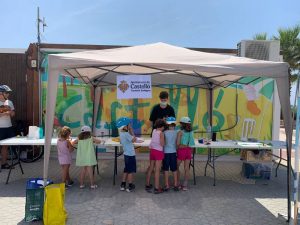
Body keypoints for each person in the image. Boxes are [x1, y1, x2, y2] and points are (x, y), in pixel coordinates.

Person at [117, 117, 137, 193]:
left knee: (126, 169)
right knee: (130, 171)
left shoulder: (122, 133)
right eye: (129, 125)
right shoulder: (126, 134)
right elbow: (134, 139)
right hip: (130, 154)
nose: (130, 126)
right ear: (125, 126)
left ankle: (122, 184)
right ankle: (130, 185)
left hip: (126, 154)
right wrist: (132, 131)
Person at [145, 119, 166, 194]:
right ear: (162, 126)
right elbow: (162, 144)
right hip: (158, 152)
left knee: (151, 167)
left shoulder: (154, 130)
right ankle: (157, 188)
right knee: (157, 170)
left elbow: (153, 141)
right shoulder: (161, 133)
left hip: (152, 151)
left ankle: (147, 184)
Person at [176, 117, 195, 191]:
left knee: (176, 166)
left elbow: (178, 144)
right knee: (187, 168)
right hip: (188, 151)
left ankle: (177, 182)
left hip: (181, 151)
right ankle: (185, 185)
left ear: (182, 124)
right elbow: (192, 143)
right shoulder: (191, 132)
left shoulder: (180, 132)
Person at [0, 85, 15, 169]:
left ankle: (4, 164)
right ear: (1, 93)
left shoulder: (9, 102)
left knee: (5, 146)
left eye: (8, 93)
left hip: (8, 127)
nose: (8, 94)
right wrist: (4, 113)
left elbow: (13, 114)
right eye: (6, 92)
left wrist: (10, 113)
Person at [163, 117, 179, 191]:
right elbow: (177, 143)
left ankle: (167, 185)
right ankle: (176, 184)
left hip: (166, 152)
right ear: (174, 124)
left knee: (166, 169)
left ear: (167, 124)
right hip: (173, 152)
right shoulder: (177, 132)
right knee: (174, 169)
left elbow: (164, 143)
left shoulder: (164, 132)